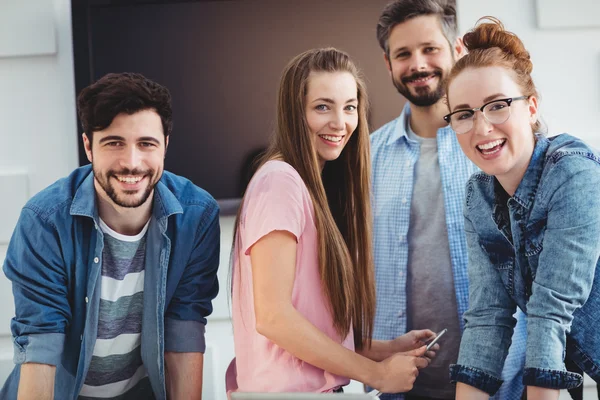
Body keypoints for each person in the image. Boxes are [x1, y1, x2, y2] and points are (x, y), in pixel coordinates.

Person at [225, 48, 439, 395]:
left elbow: (312, 324)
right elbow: (274, 318)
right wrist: (376, 374)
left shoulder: (314, 189)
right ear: (296, 112)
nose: (340, 122)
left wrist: (384, 349)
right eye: (323, 106)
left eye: (349, 107)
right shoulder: (281, 181)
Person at [1, 72, 220, 400]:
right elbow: (40, 344)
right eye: (114, 142)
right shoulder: (44, 221)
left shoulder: (196, 216)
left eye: (146, 144)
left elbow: (184, 330)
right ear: (89, 146)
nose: (131, 163)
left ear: (165, 146)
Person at [370, 1, 526, 399]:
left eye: (429, 48)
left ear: (457, 49)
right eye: (403, 54)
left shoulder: (494, 145)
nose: (418, 64)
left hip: (502, 378)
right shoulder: (365, 157)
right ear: (388, 64)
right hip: (397, 384)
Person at [444, 17, 600, 400]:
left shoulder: (574, 174)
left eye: (497, 106)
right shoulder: (478, 196)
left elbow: (550, 312)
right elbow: (487, 319)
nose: (481, 129)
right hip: (571, 364)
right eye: (464, 114)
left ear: (531, 108)